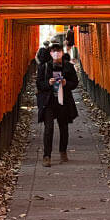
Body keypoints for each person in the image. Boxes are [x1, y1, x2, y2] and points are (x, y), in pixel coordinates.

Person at [35, 39, 79, 167]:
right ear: (50, 53)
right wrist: (48, 83)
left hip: (63, 101)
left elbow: (75, 83)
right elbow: (39, 84)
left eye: (58, 51)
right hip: (49, 102)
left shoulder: (68, 66)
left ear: (62, 52)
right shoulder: (44, 67)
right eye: (54, 51)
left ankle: (63, 151)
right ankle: (46, 156)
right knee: (49, 129)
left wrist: (66, 83)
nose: (56, 53)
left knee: (63, 128)